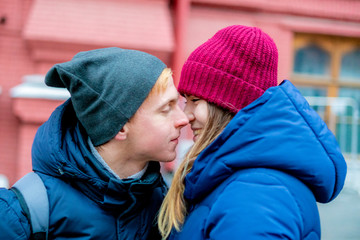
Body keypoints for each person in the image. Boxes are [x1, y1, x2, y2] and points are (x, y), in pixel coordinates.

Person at [158, 25, 347, 239]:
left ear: (229, 104)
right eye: (186, 100)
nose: (186, 115)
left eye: (195, 101)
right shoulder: (242, 181)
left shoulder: (257, 194)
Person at [0, 47, 188, 239]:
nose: (183, 119)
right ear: (120, 126)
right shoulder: (20, 215)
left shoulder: (167, 209)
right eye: (166, 109)